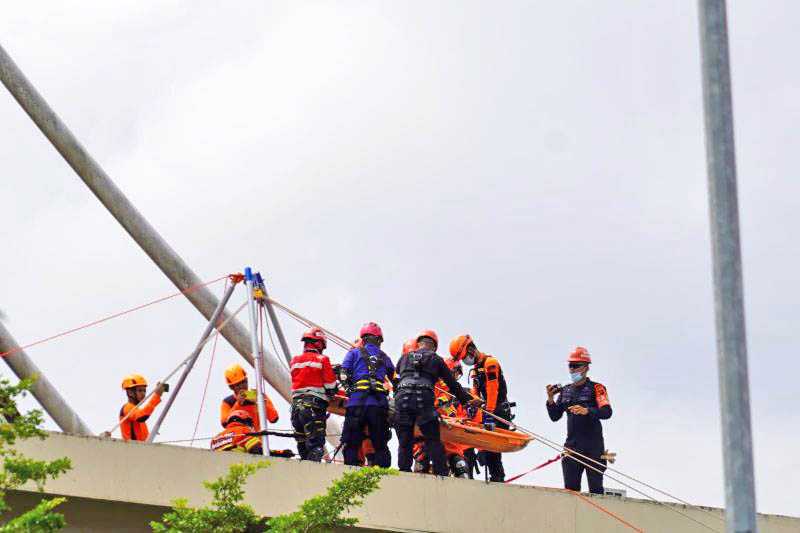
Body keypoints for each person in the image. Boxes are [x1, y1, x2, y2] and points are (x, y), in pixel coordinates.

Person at [395, 330, 476, 476]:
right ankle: (442, 475)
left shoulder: (404, 358)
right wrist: (467, 401)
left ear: (417, 343)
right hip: (424, 399)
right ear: (434, 346)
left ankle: (404, 473)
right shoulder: (436, 359)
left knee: (405, 440)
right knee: (433, 440)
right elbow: (453, 384)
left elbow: (396, 379)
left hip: (403, 399)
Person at [546, 346, 612, 494]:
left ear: (586, 367)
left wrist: (587, 410)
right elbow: (555, 416)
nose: (572, 369)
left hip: (594, 449)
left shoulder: (597, 388)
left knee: (596, 492)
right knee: (571, 493)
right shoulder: (565, 390)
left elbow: (607, 412)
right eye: (570, 365)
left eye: (576, 365)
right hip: (572, 448)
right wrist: (550, 399)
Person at [451, 334, 511, 482]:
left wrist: (489, 413)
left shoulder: (490, 363)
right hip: (488, 409)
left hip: (498, 411)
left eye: (464, 356)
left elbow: (493, 390)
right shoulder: (477, 369)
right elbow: (476, 391)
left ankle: (498, 478)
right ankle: (495, 476)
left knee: (492, 449)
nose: (465, 361)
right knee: (487, 449)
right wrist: (472, 404)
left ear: (471, 350)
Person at [340, 322, 395, 467]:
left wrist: (349, 390)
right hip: (377, 404)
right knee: (380, 444)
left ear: (363, 338)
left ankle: (351, 471)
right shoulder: (384, 357)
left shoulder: (353, 353)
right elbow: (395, 378)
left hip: (356, 402)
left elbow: (343, 373)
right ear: (378, 340)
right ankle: (382, 474)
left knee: (351, 443)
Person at [289, 327, 337, 461]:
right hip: (313, 409)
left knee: (303, 448)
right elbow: (331, 386)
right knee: (316, 447)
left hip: (296, 410)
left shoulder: (294, 361)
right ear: (319, 343)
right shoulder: (322, 359)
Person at [221, 363, 279, 431]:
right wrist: (238, 404)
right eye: (237, 385)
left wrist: (260, 403)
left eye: (243, 382)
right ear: (231, 387)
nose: (242, 386)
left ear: (247, 380)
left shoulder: (258, 395)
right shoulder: (228, 402)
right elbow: (225, 423)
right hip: (239, 438)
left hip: (256, 439)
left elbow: (274, 419)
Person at [118, 374, 165, 441]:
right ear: (130, 392)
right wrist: (156, 396)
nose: (143, 394)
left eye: (144, 391)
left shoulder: (136, 410)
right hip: (132, 448)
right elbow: (142, 416)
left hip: (140, 448)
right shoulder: (127, 408)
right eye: (140, 391)